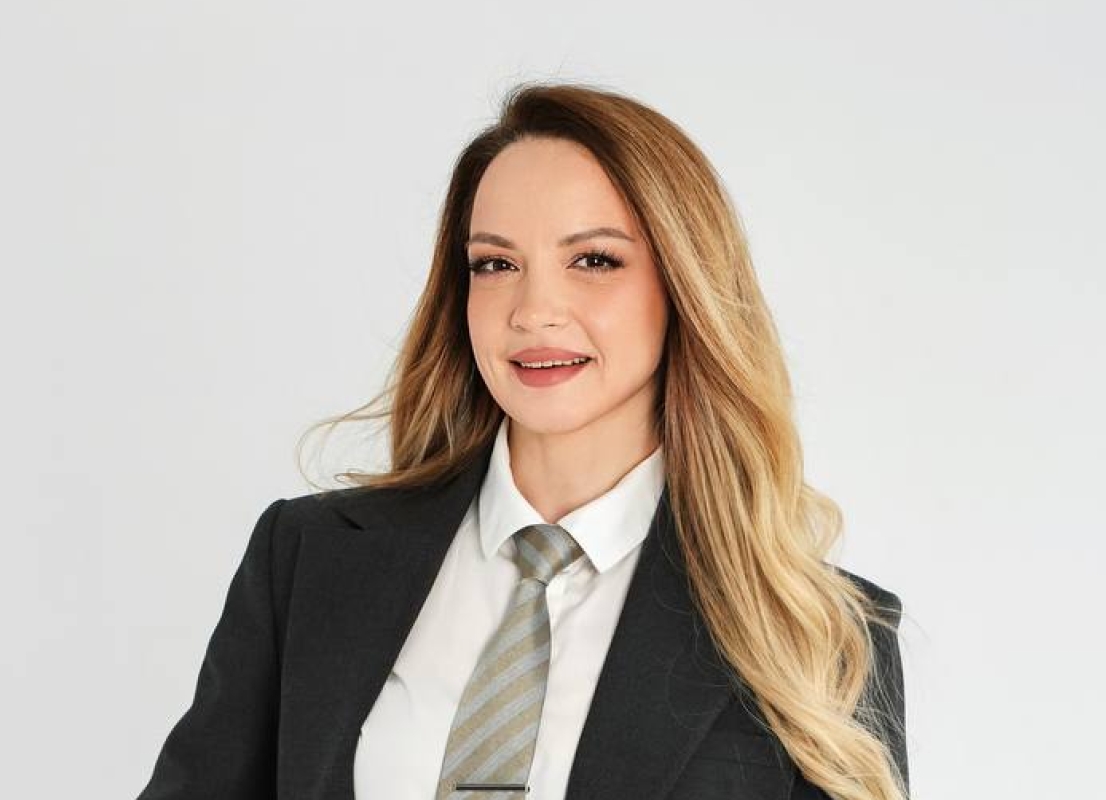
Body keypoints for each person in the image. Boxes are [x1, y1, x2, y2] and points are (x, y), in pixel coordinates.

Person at [135, 81, 909, 800]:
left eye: (594, 260)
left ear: (683, 286)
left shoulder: (821, 635)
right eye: (496, 263)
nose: (534, 310)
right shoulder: (310, 561)